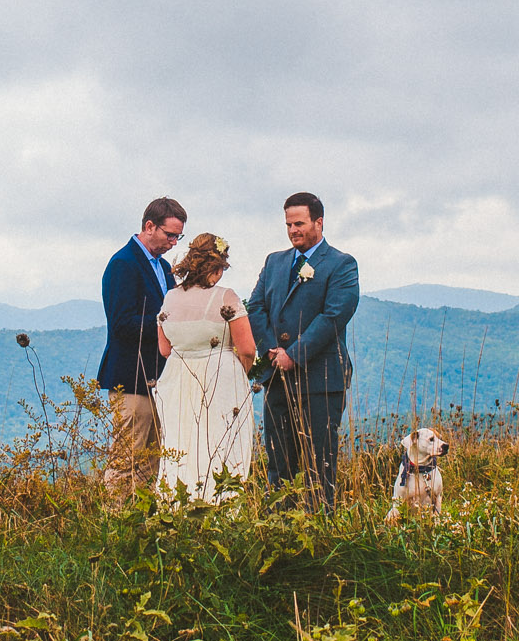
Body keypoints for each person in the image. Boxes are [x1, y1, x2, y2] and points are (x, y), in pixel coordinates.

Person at [245, 192, 359, 507]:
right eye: (289, 224)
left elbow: (334, 316)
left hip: (320, 381)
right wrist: (271, 350)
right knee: (279, 462)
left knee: (319, 463)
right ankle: (280, 529)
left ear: (318, 222)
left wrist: (293, 354)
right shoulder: (274, 261)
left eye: (299, 223)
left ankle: (319, 532)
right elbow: (255, 307)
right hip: (276, 379)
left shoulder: (341, 264)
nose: (293, 230)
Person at [153, 234, 258, 500]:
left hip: (177, 379)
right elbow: (247, 348)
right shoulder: (226, 297)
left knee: (181, 446)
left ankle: (178, 507)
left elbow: (165, 349)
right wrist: (239, 374)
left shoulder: (170, 298)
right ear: (217, 266)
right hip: (220, 378)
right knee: (222, 446)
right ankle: (221, 508)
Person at [98, 197, 187, 501]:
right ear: (150, 226)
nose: (174, 243)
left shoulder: (163, 267)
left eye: (178, 236)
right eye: (169, 235)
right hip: (131, 376)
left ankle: (141, 523)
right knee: (127, 457)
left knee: (152, 459)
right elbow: (122, 323)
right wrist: (165, 324)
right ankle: (115, 523)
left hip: (159, 377)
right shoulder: (123, 264)